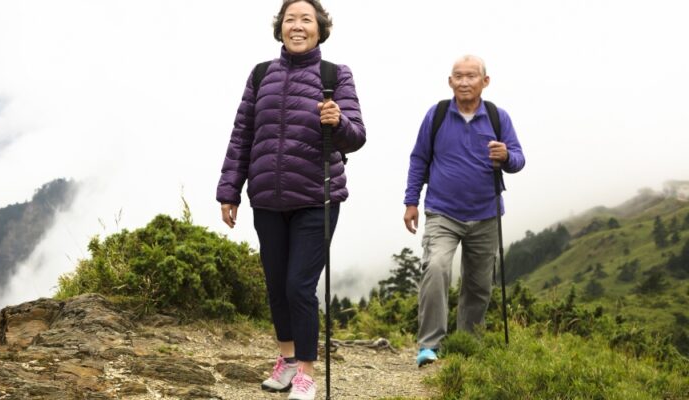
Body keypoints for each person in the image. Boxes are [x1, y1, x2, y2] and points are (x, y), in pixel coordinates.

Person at [216, 1, 365, 398]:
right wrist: (229, 190)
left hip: (317, 198)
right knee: (277, 285)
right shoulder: (260, 74)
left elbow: (356, 136)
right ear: (280, 27)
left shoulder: (335, 75)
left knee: (299, 285)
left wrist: (339, 121)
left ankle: (306, 373)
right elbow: (242, 135)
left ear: (320, 28)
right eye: (290, 19)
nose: (297, 26)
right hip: (267, 198)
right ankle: (286, 359)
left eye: (306, 20)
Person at [402, 55, 526, 367]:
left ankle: (466, 344)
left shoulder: (497, 117)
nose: (464, 82)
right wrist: (411, 201)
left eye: (471, 76)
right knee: (436, 268)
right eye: (458, 76)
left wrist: (506, 156)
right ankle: (430, 345)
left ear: (485, 81)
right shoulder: (437, 115)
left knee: (479, 285)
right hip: (442, 212)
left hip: (486, 214)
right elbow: (419, 159)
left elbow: (518, 159)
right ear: (450, 81)